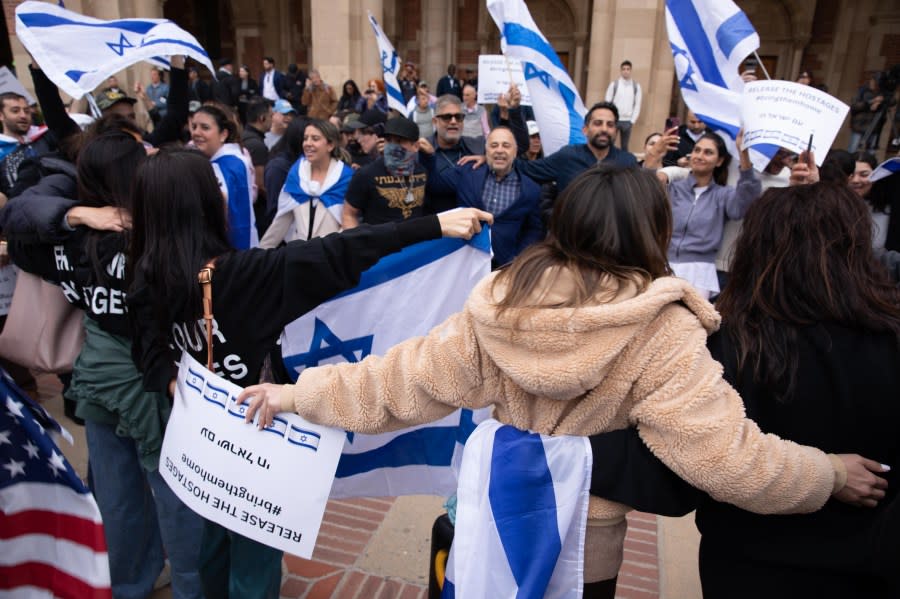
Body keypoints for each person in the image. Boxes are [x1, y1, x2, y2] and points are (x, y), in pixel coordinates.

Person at [239, 165, 883, 599]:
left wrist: (293, 394)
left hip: (489, 526)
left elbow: (393, 385)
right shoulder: (660, 328)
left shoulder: (502, 300)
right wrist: (828, 474)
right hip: (580, 553)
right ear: (651, 230)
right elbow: (727, 460)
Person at [126, 148, 492, 599]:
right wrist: (435, 225)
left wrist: (181, 385)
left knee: (212, 546)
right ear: (202, 203)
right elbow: (342, 250)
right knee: (254, 561)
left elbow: (148, 354)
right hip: (259, 439)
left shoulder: (143, 274)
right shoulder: (245, 274)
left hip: (200, 444)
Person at [0, 131, 204, 599]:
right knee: (177, 495)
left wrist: (71, 215)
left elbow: (17, 220)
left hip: (95, 378)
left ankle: (128, 581)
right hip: (154, 382)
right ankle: (193, 585)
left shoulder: (63, 236)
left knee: (116, 492)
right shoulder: (154, 236)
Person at [698, 182, 899, 599]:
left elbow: (708, 454)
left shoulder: (727, 338)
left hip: (746, 557)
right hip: (863, 557)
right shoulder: (888, 336)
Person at [645, 130, 761, 299]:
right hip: (663, 267)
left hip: (700, 273)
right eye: (697, 150)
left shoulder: (722, 195)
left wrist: (744, 155)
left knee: (688, 324)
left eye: (708, 152)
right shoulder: (674, 189)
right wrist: (654, 154)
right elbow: (645, 192)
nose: (700, 156)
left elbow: (745, 203)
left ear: (720, 161)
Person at [429, 126, 543, 268]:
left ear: (515, 152)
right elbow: (433, 184)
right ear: (486, 150)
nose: (499, 150)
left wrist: (519, 258)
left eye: (506, 145)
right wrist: (428, 156)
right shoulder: (467, 172)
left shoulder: (531, 189)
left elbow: (534, 229)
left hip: (503, 268)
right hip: (462, 263)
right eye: (494, 145)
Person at [260, 119, 352, 246]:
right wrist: (262, 252)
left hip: (331, 258)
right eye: (305, 138)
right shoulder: (296, 175)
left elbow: (349, 224)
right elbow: (281, 220)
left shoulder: (346, 178)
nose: (308, 143)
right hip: (299, 256)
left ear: (330, 145)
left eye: (315, 138)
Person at [517, 101, 638, 194]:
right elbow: (526, 169)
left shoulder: (628, 162)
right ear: (585, 130)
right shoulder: (568, 156)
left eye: (610, 125)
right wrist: (510, 114)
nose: (604, 129)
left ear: (616, 131)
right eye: (598, 123)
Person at [190, 104, 258, 249]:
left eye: (205, 127)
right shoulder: (236, 158)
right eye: (194, 126)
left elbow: (220, 202)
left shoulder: (222, 165)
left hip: (227, 249)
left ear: (223, 134)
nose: (196, 132)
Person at [342, 116, 428, 228]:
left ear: (415, 146)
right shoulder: (366, 174)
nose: (393, 146)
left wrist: (431, 157)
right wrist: (356, 242)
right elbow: (348, 214)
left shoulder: (422, 171)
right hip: (379, 243)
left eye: (399, 141)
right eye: (388, 140)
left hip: (415, 243)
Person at [0, 92, 51, 196]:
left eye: (27, 111)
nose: (23, 115)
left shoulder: (45, 137)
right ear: (1, 115)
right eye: (15, 111)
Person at [604, 60, 641, 152]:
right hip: (615, 120)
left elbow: (637, 104)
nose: (626, 71)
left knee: (625, 146)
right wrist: (610, 117)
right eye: (624, 69)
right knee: (610, 143)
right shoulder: (614, 85)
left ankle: (623, 165)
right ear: (621, 71)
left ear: (631, 70)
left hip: (627, 121)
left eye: (628, 69)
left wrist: (632, 120)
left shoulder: (636, 86)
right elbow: (607, 102)